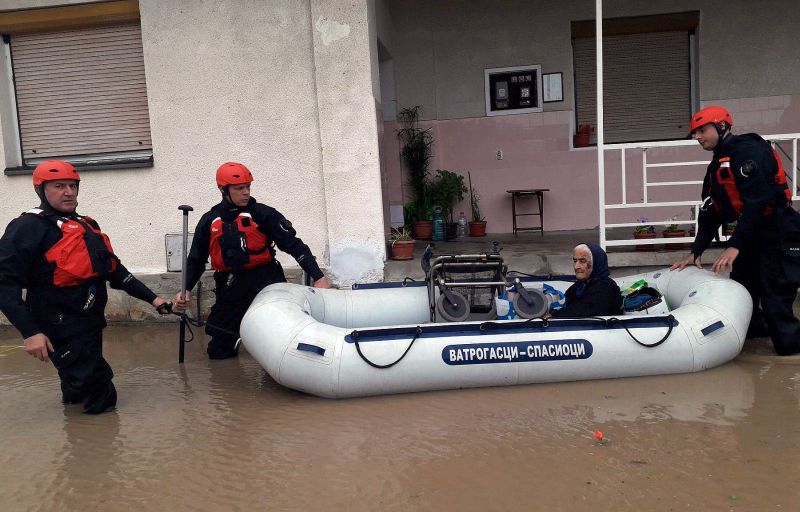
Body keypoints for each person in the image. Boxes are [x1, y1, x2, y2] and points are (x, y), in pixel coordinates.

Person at [0, 160, 174, 414]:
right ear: (41, 190)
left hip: (89, 321)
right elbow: (4, 284)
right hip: (59, 324)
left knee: (77, 387)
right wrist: (30, 332)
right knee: (100, 390)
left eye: (72, 186)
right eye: (59, 186)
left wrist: (154, 300)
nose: (68, 192)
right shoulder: (27, 227)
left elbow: (116, 272)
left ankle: (77, 428)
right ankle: (98, 446)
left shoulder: (86, 225)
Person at [671, 105, 800, 356]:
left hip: (777, 230)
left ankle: (791, 355)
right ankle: (755, 350)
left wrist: (735, 245)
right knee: (744, 295)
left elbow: (758, 200)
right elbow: (711, 210)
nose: (698, 137)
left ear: (721, 126)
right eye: (695, 133)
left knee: (774, 297)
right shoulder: (716, 165)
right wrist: (696, 250)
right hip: (750, 233)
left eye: (702, 130)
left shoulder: (749, 151)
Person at [175, 162, 331, 359]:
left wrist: (318, 276)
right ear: (223, 190)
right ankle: (240, 339)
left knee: (281, 339)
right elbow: (196, 261)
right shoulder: (209, 220)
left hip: (265, 279)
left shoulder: (264, 214)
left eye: (248, 187)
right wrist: (186, 288)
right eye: (240, 188)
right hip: (230, 284)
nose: (246, 192)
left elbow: (294, 246)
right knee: (218, 353)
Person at [550, 243, 622, 318]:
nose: (576, 266)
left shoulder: (606, 287)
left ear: (596, 263)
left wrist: (553, 314)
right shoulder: (580, 286)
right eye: (575, 261)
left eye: (582, 261)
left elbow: (587, 309)